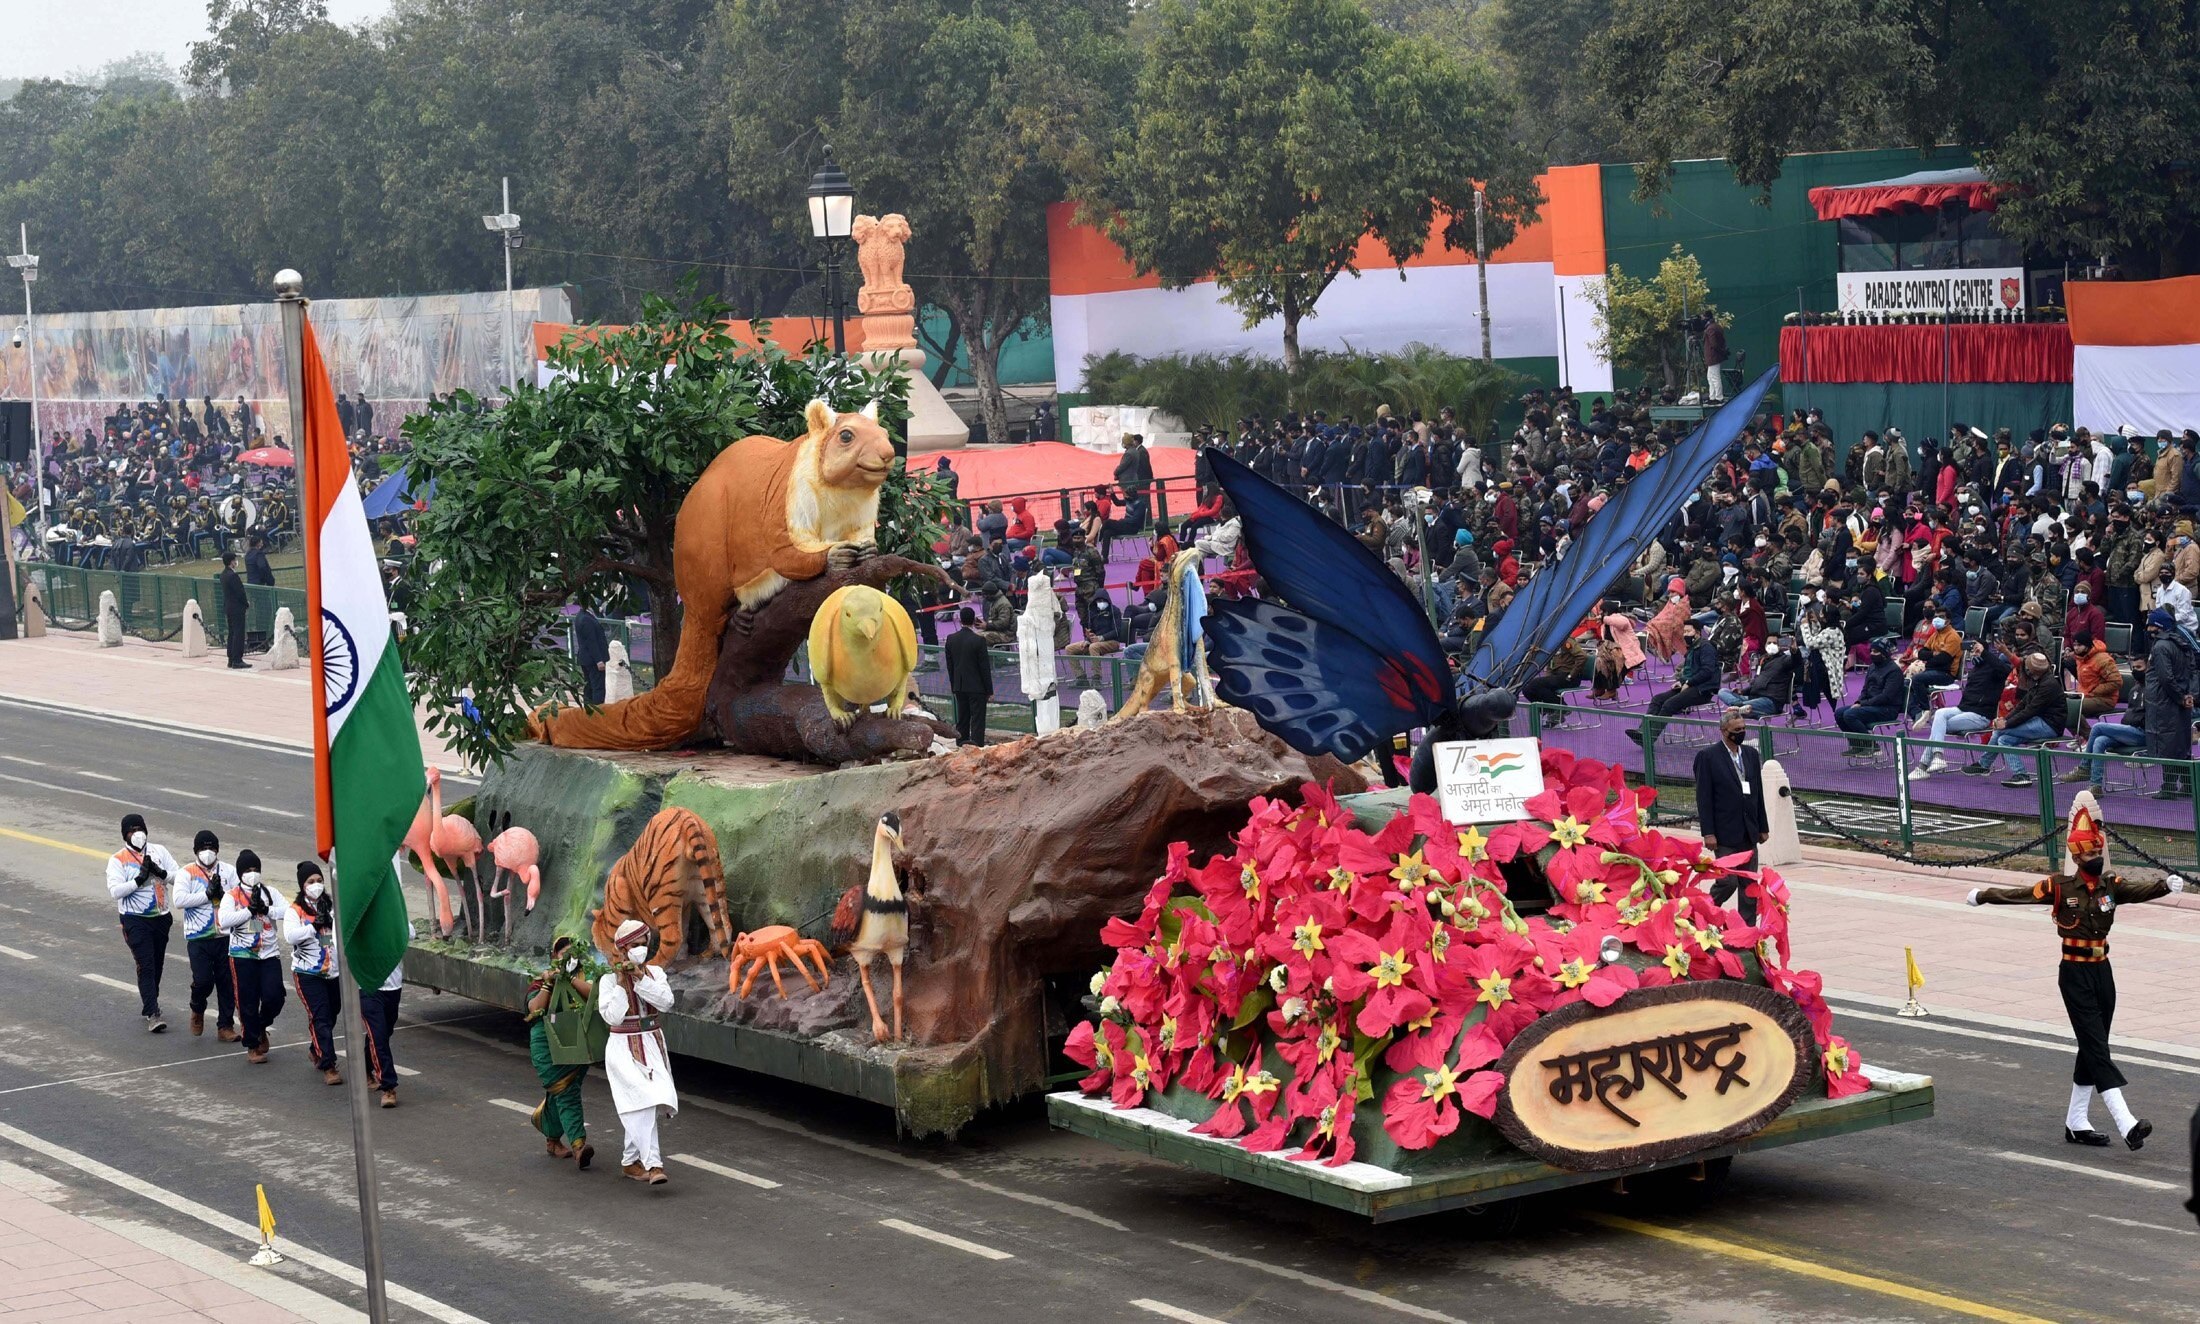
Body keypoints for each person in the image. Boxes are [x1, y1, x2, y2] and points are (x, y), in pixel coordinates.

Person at [1968, 794, 2185, 1149]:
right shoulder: (2059, 887)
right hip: (2074, 973)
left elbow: (2138, 889)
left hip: (2103, 972)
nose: (2096, 858)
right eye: (2089, 854)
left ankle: (2076, 1122)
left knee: (2093, 1043)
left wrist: (2165, 885)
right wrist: (1983, 896)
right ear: (2077, 856)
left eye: (2098, 853)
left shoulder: (2109, 885)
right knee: (2096, 1045)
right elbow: (2018, 894)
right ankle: (2126, 1122)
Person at [601, 919, 677, 1186]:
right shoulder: (608, 981)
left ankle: (630, 1162)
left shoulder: (655, 974)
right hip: (623, 1047)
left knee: (652, 1099)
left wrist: (641, 978)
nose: (640, 949)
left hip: (653, 1043)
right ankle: (654, 1164)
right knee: (644, 1100)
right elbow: (612, 1016)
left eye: (644, 944)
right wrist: (623, 983)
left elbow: (666, 1003)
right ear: (622, 949)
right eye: (635, 945)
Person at [524, 936, 595, 1168]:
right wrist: (549, 983)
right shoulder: (540, 980)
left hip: (575, 1042)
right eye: (564, 952)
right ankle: (578, 1145)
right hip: (546, 1043)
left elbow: (596, 999)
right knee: (565, 1092)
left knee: (566, 1089)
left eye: (574, 952)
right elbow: (534, 1009)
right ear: (555, 956)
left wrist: (572, 981)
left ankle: (551, 1137)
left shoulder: (586, 977)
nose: (569, 957)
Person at [1692, 708, 1768, 924]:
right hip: (1724, 832)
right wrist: (1708, 832)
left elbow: (1758, 792)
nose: (1741, 733)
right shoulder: (1708, 757)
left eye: (1743, 729)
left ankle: (1747, 930)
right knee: (1728, 882)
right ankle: (1704, 912)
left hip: (1748, 830)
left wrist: (1763, 826)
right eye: (1737, 730)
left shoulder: (1751, 755)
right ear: (1724, 731)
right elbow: (1704, 798)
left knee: (1749, 885)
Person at [106, 813, 179, 1033]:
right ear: (124, 835)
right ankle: (152, 1012)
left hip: (161, 916)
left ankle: (150, 999)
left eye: (140, 829)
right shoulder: (118, 859)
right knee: (145, 963)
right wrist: (138, 879)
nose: (137, 834)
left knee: (157, 963)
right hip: (135, 919)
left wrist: (161, 873)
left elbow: (178, 877)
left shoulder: (159, 851)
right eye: (132, 830)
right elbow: (115, 891)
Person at [217, 850, 285, 1063]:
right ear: (240, 873)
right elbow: (224, 920)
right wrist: (249, 910)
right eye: (247, 870)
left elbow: (287, 911)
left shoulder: (269, 892)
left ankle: (261, 1025)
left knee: (275, 996)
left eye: (256, 870)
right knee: (247, 1001)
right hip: (242, 955)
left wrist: (267, 910)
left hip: (269, 953)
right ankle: (253, 1046)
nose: (252, 874)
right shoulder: (232, 896)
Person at [1910, 638, 2009, 780]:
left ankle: (1923, 766)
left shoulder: (1995, 668)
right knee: (1939, 714)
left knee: (1938, 727)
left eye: (1976, 650)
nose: (1973, 653)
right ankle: (1937, 756)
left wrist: (1985, 653)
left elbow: (2006, 670)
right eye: (1971, 650)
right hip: (1964, 709)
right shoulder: (1975, 669)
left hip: (1981, 715)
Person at [174, 829, 238, 1041]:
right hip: (198, 937)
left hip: (225, 936)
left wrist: (225, 896)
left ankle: (225, 1026)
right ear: (195, 851)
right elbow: (179, 900)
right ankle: (197, 1008)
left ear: (217, 850)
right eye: (203, 848)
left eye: (211, 848)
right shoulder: (187, 873)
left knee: (226, 982)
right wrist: (206, 895)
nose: (207, 852)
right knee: (203, 982)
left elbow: (241, 896)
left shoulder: (229, 871)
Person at [282, 861, 343, 1086]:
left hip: (333, 971)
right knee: (320, 1016)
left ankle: (315, 1047)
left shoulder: (332, 905)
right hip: (308, 972)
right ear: (302, 885)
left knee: (332, 1012)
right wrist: (313, 926)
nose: (316, 885)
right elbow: (290, 936)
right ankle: (328, 1064)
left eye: (319, 881)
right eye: (311, 882)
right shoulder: (295, 911)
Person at [1630, 622, 1719, 747]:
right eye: (1685, 632)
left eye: (1689, 631)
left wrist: (1688, 682)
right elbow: (1689, 671)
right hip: (1689, 685)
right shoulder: (1692, 648)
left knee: (1670, 704)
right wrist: (1682, 681)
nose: (1685, 635)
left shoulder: (1706, 647)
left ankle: (1648, 738)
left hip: (1704, 689)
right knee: (1657, 699)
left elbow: (1707, 671)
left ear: (1698, 633)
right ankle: (1642, 732)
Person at [359, 917, 414, 1108]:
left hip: (393, 987)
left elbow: (411, 933)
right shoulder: (360, 913)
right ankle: (388, 1087)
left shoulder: (391, 911)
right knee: (378, 1035)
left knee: (383, 1033)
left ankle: (366, 1066)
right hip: (367, 986)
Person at [2142, 608, 2196, 797]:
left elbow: (2166, 678)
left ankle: (2169, 787)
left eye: (2151, 624)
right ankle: (2188, 785)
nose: (2147, 628)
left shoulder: (2160, 647)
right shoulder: (2180, 643)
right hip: (2178, 700)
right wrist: (2186, 695)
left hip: (2165, 703)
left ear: (2159, 626)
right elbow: (2190, 671)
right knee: (2180, 743)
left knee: (2168, 744)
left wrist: (2180, 697)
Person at [1835, 639, 1905, 755]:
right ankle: (1857, 745)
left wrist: (1862, 704)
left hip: (1887, 709)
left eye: (1876, 651)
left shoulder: (1894, 671)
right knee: (1839, 713)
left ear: (1884, 654)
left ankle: (1872, 746)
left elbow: (1886, 697)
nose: (1872, 654)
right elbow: (1865, 689)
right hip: (1870, 705)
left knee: (1850, 714)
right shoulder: (1872, 667)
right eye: (1871, 651)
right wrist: (1859, 701)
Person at [943, 608, 992, 747]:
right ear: (974, 620)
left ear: (960, 620)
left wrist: (954, 686)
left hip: (959, 685)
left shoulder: (951, 639)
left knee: (962, 718)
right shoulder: (979, 641)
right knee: (977, 719)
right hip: (977, 687)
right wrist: (989, 690)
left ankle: (961, 744)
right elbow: (984, 668)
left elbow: (950, 666)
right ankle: (976, 746)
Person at [1718, 637, 1795, 717]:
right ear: (1765, 645)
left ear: (1779, 646)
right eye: (1769, 643)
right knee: (1722, 691)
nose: (1771, 645)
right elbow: (1755, 684)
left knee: (1742, 706)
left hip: (1770, 701)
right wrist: (1742, 691)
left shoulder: (1785, 660)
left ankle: (1740, 708)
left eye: (1774, 643)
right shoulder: (1763, 660)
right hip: (1753, 698)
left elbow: (1796, 661)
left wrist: (1795, 651)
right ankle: (1740, 707)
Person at [572, 608, 609, 706]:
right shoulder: (585, 619)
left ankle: (588, 711)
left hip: (586, 659)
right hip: (592, 660)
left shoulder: (581, 616)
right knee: (598, 687)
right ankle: (597, 712)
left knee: (589, 686)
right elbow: (591, 641)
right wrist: (599, 660)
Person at [218, 550, 249, 669]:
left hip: (228, 607)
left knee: (232, 633)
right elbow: (240, 592)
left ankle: (231, 658)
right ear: (231, 562)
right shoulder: (233, 576)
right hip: (237, 608)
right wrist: (245, 603)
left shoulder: (223, 574)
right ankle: (237, 659)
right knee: (238, 633)